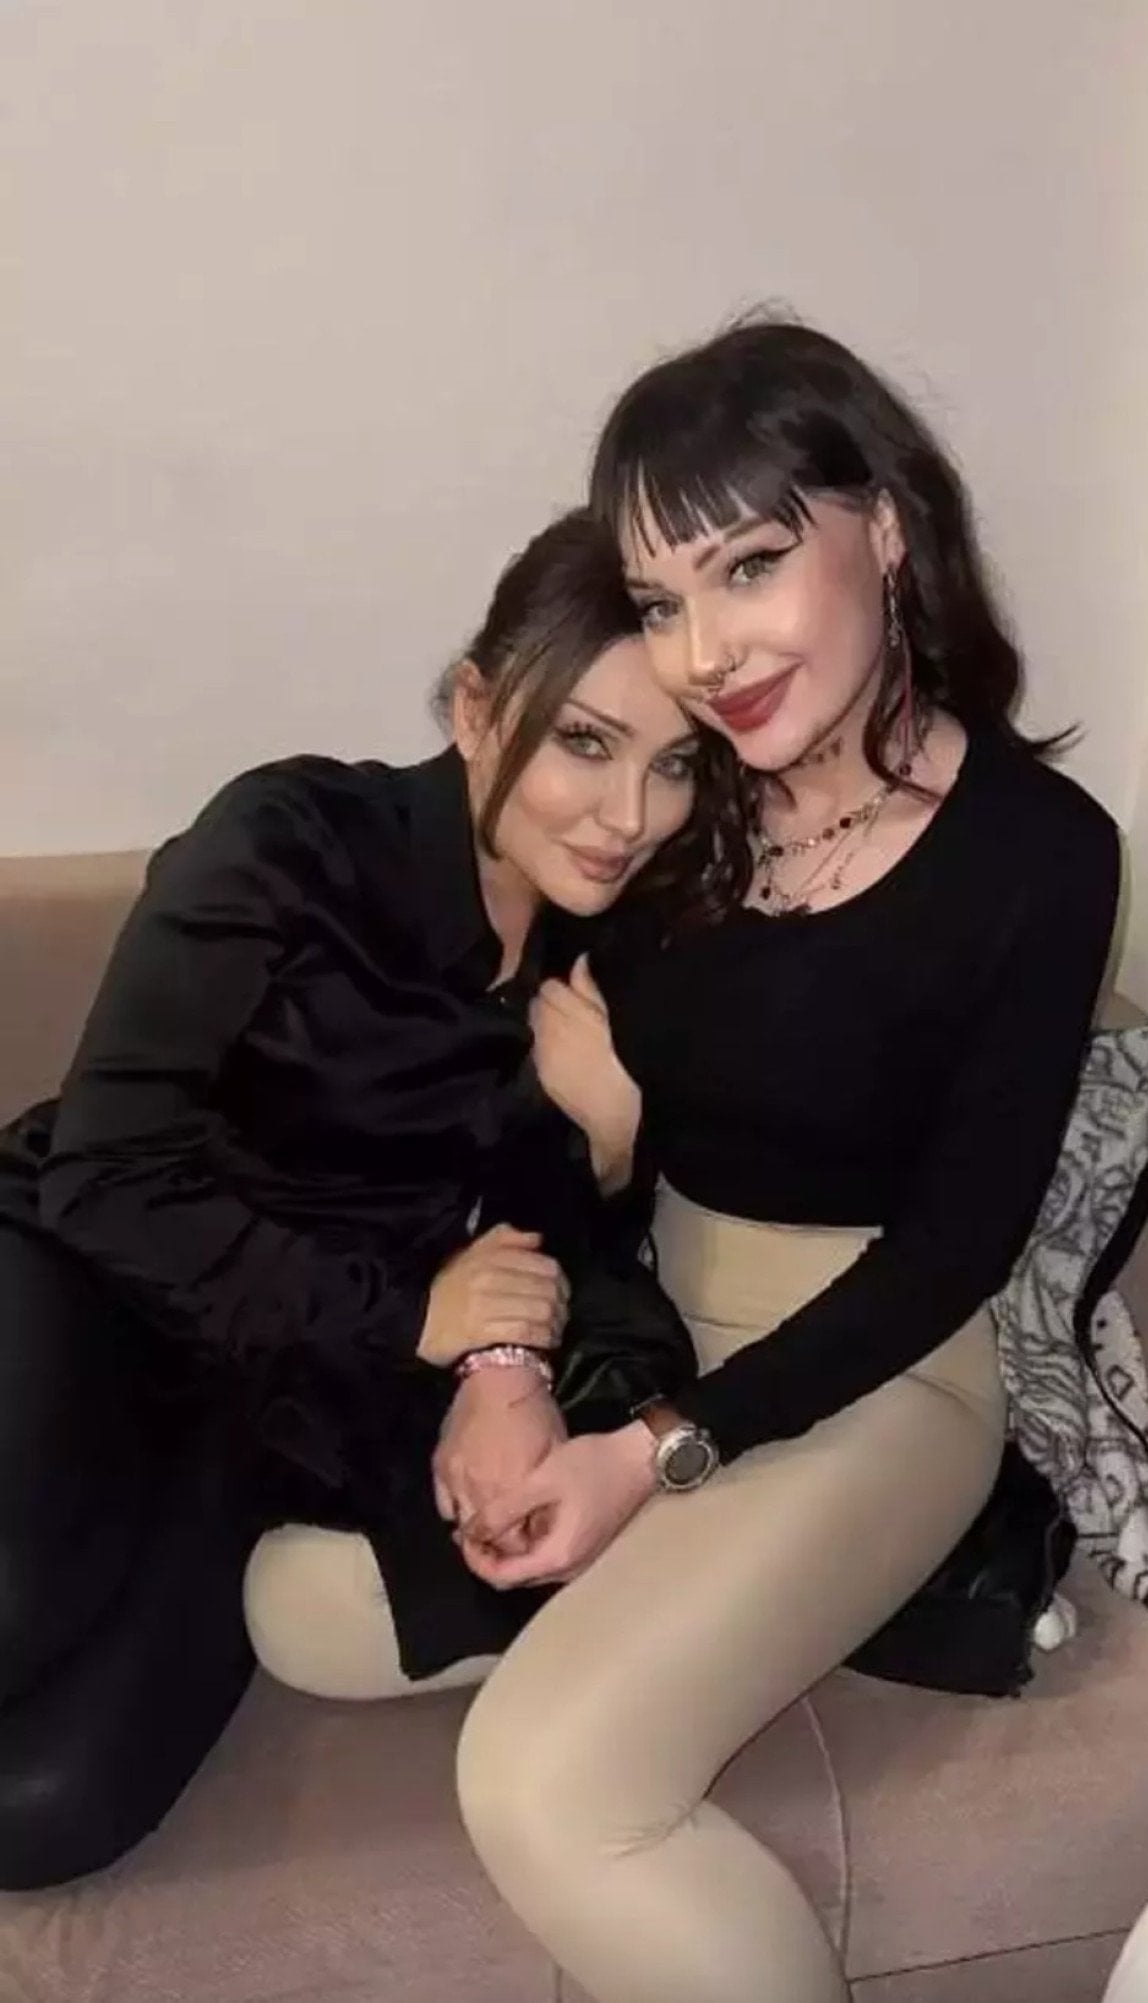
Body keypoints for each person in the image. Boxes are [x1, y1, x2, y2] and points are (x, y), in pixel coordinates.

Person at [437, 318, 1119, 2003]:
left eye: (747, 567)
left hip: (883, 1374)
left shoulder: (1038, 857)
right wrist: (509, 1367)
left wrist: (652, 1455)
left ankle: (851, 1570)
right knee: (305, 1608)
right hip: (657, 1321)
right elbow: (542, 1117)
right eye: (662, 601)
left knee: (544, 1785)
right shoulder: (684, 807)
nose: (704, 654)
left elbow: (955, 1249)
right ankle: (775, 1605)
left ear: (882, 525)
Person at [0, 508, 739, 1890]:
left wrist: (611, 1149)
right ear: (477, 708)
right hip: (86, 1272)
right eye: (585, 742)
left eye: (676, 762)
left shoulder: (626, 936)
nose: (630, 816)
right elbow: (108, 1174)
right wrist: (414, 1315)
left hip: (280, 1391)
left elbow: (543, 1236)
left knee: (47, 1811)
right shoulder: (290, 839)